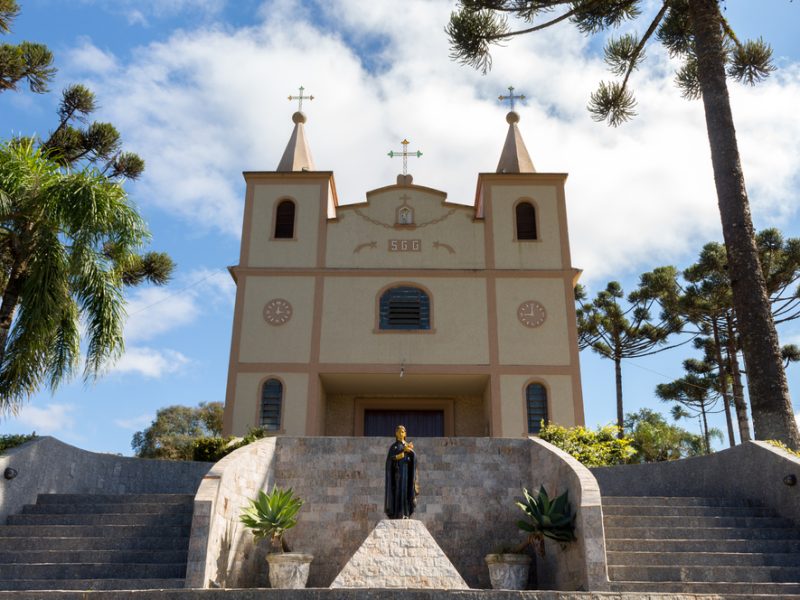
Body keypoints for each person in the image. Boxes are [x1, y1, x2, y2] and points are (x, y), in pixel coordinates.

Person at [384, 425, 418, 519]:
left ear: (405, 434)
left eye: (402, 432)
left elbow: (414, 459)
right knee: (398, 492)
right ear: (396, 433)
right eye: (399, 431)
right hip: (398, 473)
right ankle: (398, 513)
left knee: (406, 492)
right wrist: (401, 454)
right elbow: (390, 459)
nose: (400, 433)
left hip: (407, 473)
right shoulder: (394, 447)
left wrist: (411, 453)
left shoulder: (407, 445)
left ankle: (406, 513)